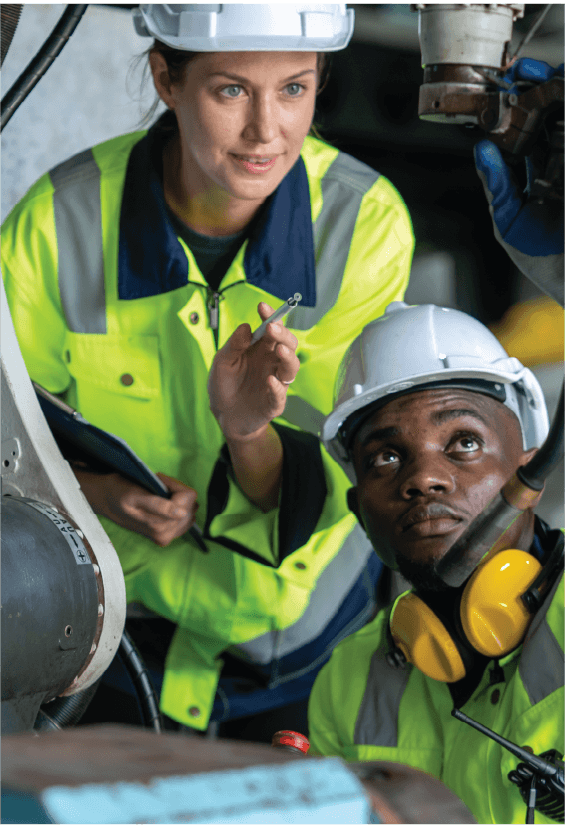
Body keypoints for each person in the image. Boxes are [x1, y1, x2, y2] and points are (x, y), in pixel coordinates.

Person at [0, 3, 414, 737]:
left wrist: (245, 429)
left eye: (295, 88)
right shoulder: (55, 224)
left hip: (305, 651)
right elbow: (8, 440)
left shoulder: (363, 226)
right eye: (230, 90)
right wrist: (95, 494)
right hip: (119, 635)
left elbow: (344, 477)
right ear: (166, 78)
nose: (267, 130)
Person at [306, 301, 564, 825]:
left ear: (528, 471)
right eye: (387, 457)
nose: (424, 478)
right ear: (359, 509)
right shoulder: (348, 683)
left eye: (463, 443)